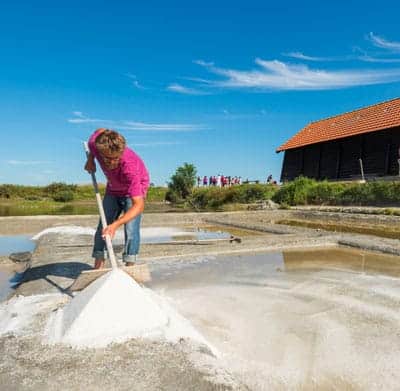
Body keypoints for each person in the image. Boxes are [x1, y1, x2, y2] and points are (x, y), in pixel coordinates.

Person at [84, 128, 149, 269]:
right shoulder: (95, 144)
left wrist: (116, 224)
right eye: (108, 158)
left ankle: (130, 266)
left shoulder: (129, 166)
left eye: (116, 158)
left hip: (132, 191)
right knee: (103, 226)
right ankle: (98, 267)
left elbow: (138, 205)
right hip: (113, 188)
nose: (112, 162)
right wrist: (91, 160)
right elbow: (99, 131)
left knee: (131, 229)